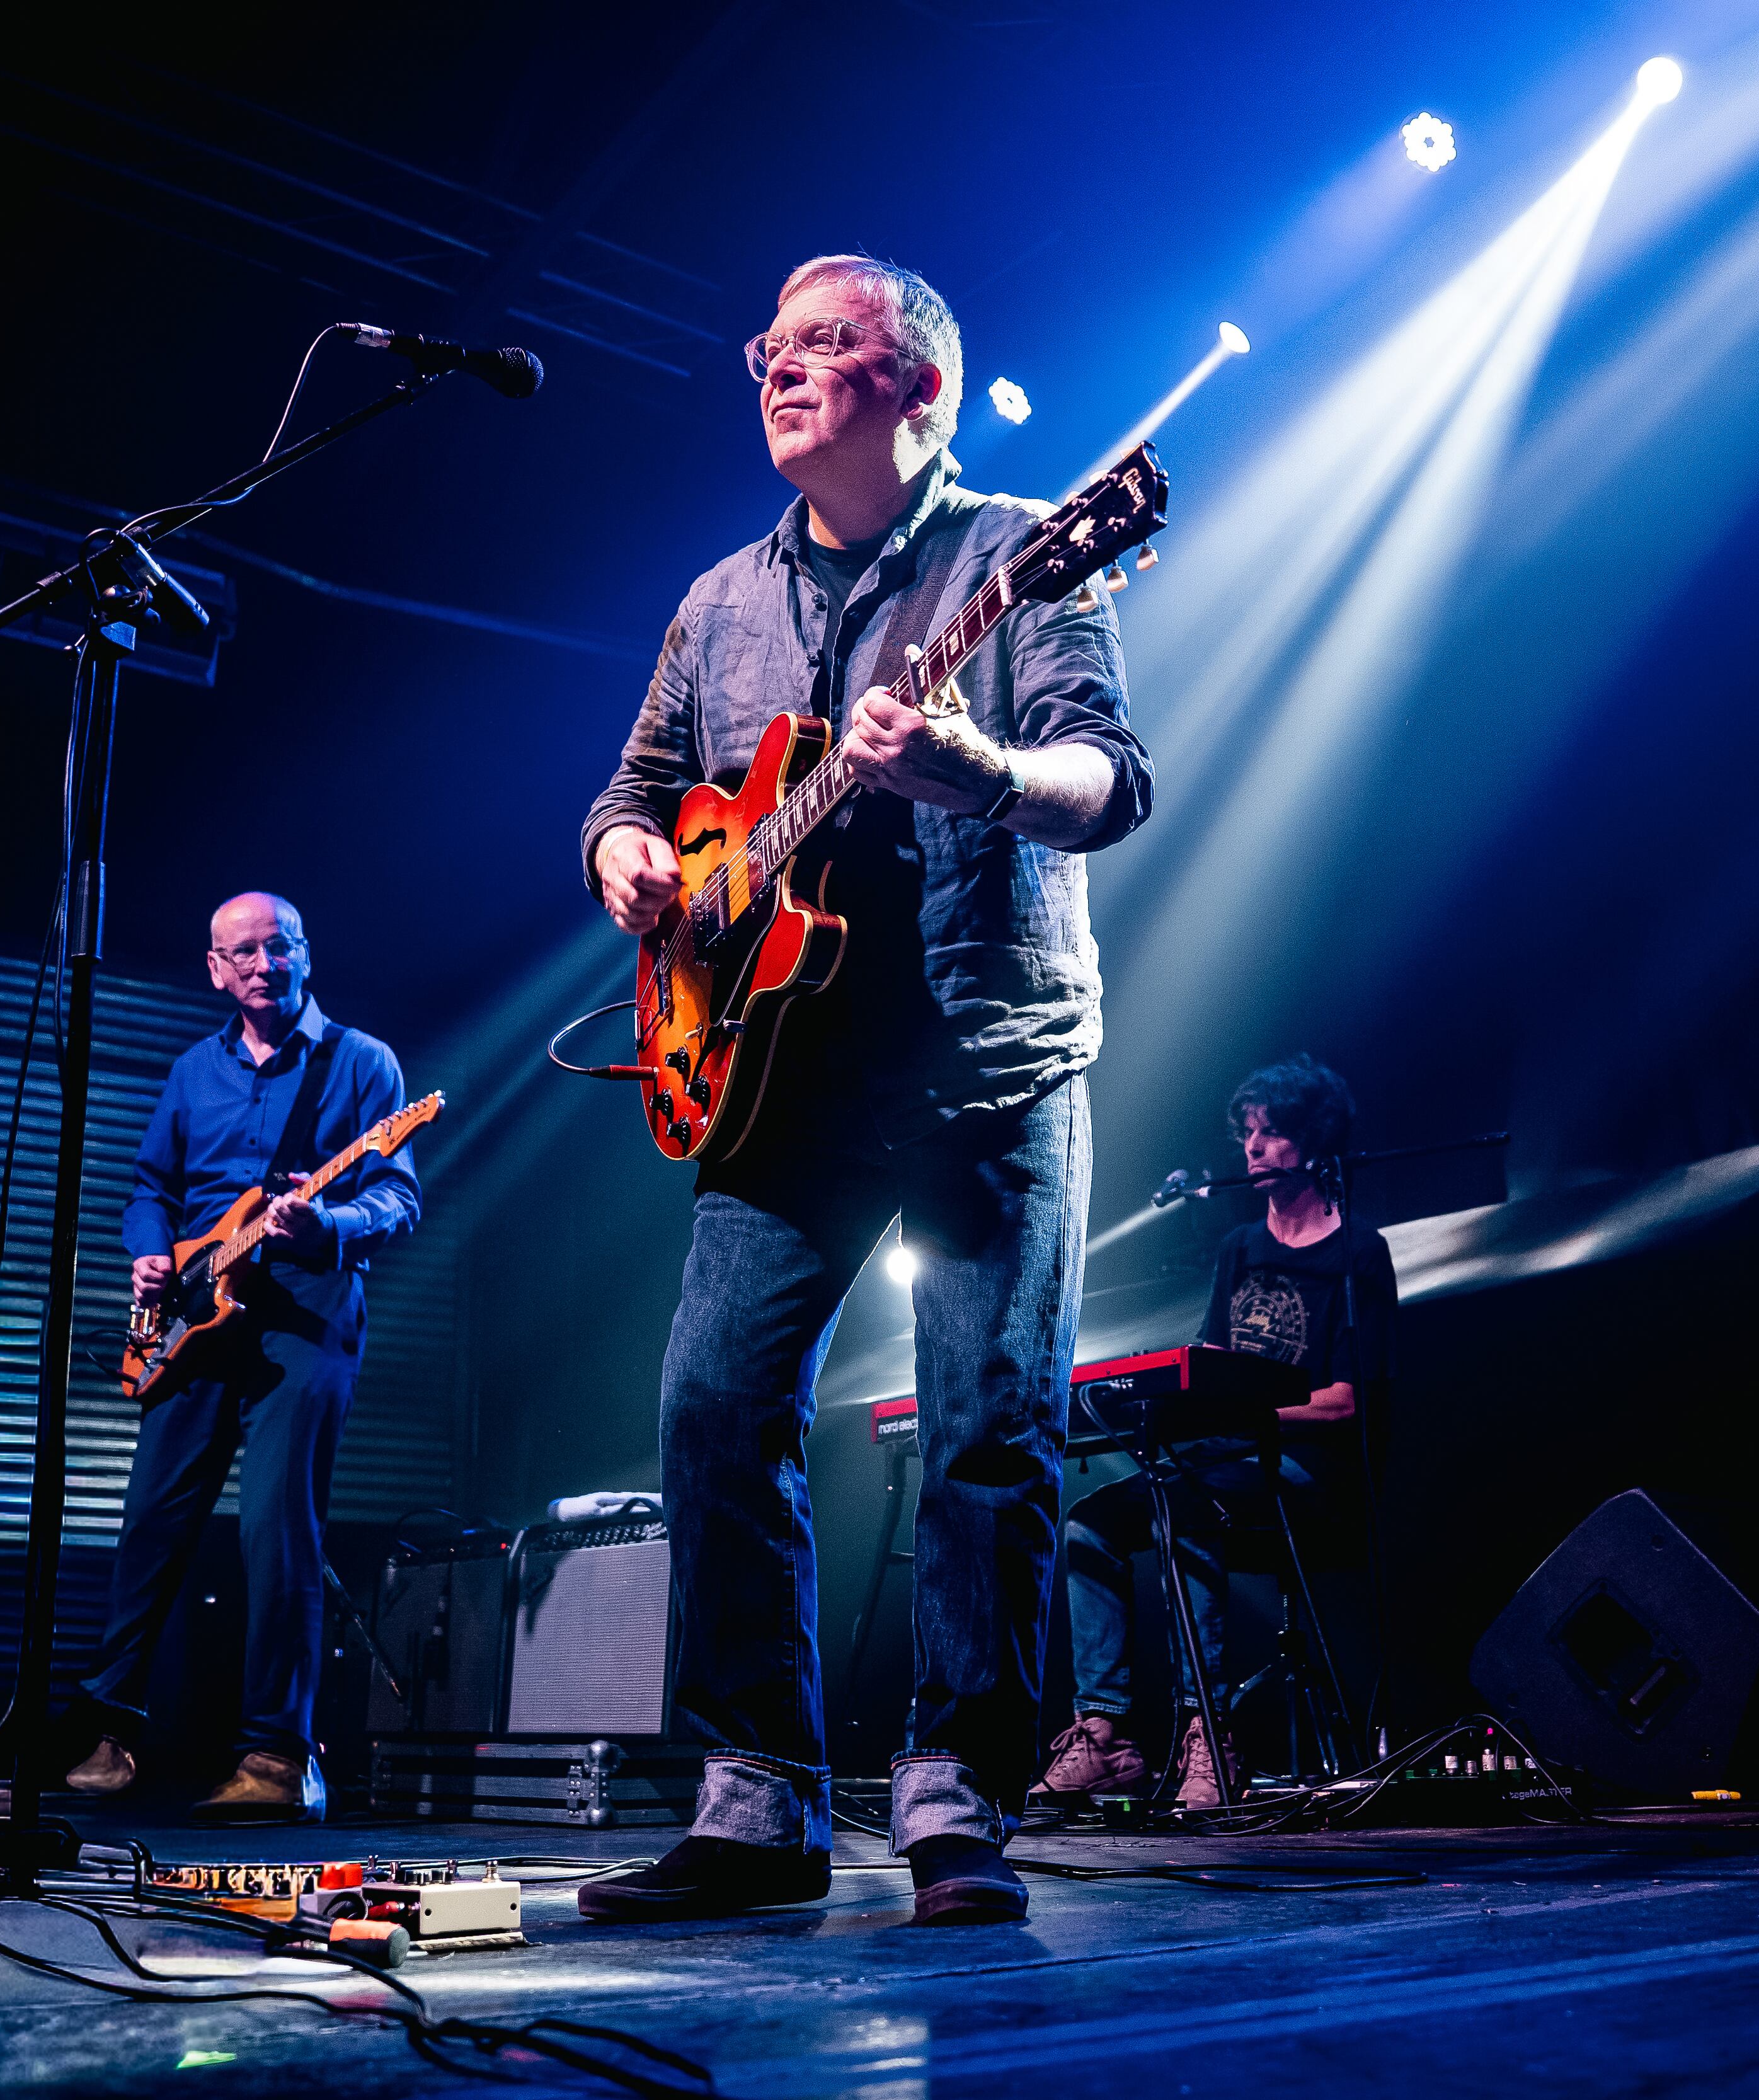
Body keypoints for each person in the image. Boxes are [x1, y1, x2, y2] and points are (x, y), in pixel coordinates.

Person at [574, 255, 1152, 1926]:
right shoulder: (717, 601)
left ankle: (957, 1791)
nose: (783, 364)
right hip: (777, 1081)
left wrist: (982, 769)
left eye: (829, 341)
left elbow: (1109, 778)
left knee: (989, 1430)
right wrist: (627, 860)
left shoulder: (1021, 548)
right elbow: (632, 792)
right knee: (712, 1407)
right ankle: (757, 1797)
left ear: (922, 389)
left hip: (989, 1062)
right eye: (773, 342)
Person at [60, 891, 420, 1821]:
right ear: (216, 970)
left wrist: (323, 1224)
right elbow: (151, 1187)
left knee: (276, 1528)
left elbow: (397, 1199)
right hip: (194, 1314)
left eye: (279, 946)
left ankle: (276, 1757)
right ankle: (109, 1735)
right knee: (150, 1525)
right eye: (245, 953)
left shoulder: (362, 1062)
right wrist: (151, 1254)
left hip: (306, 1309)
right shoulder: (193, 1070)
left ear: (305, 953)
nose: (265, 964)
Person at [1042, 1053, 1395, 1805]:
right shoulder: (1239, 1249)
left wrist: (1241, 1414)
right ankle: (1103, 1736)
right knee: (1087, 1525)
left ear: (1314, 1142)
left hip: (1306, 1474)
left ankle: (1210, 1731)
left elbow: (1343, 1403)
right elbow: (1209, 1368)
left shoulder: (1357, 1253)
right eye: (1247, 1134)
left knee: (1189, 1506)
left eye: (1272, 1133)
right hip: (1220, 1461)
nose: (1253, 1148)